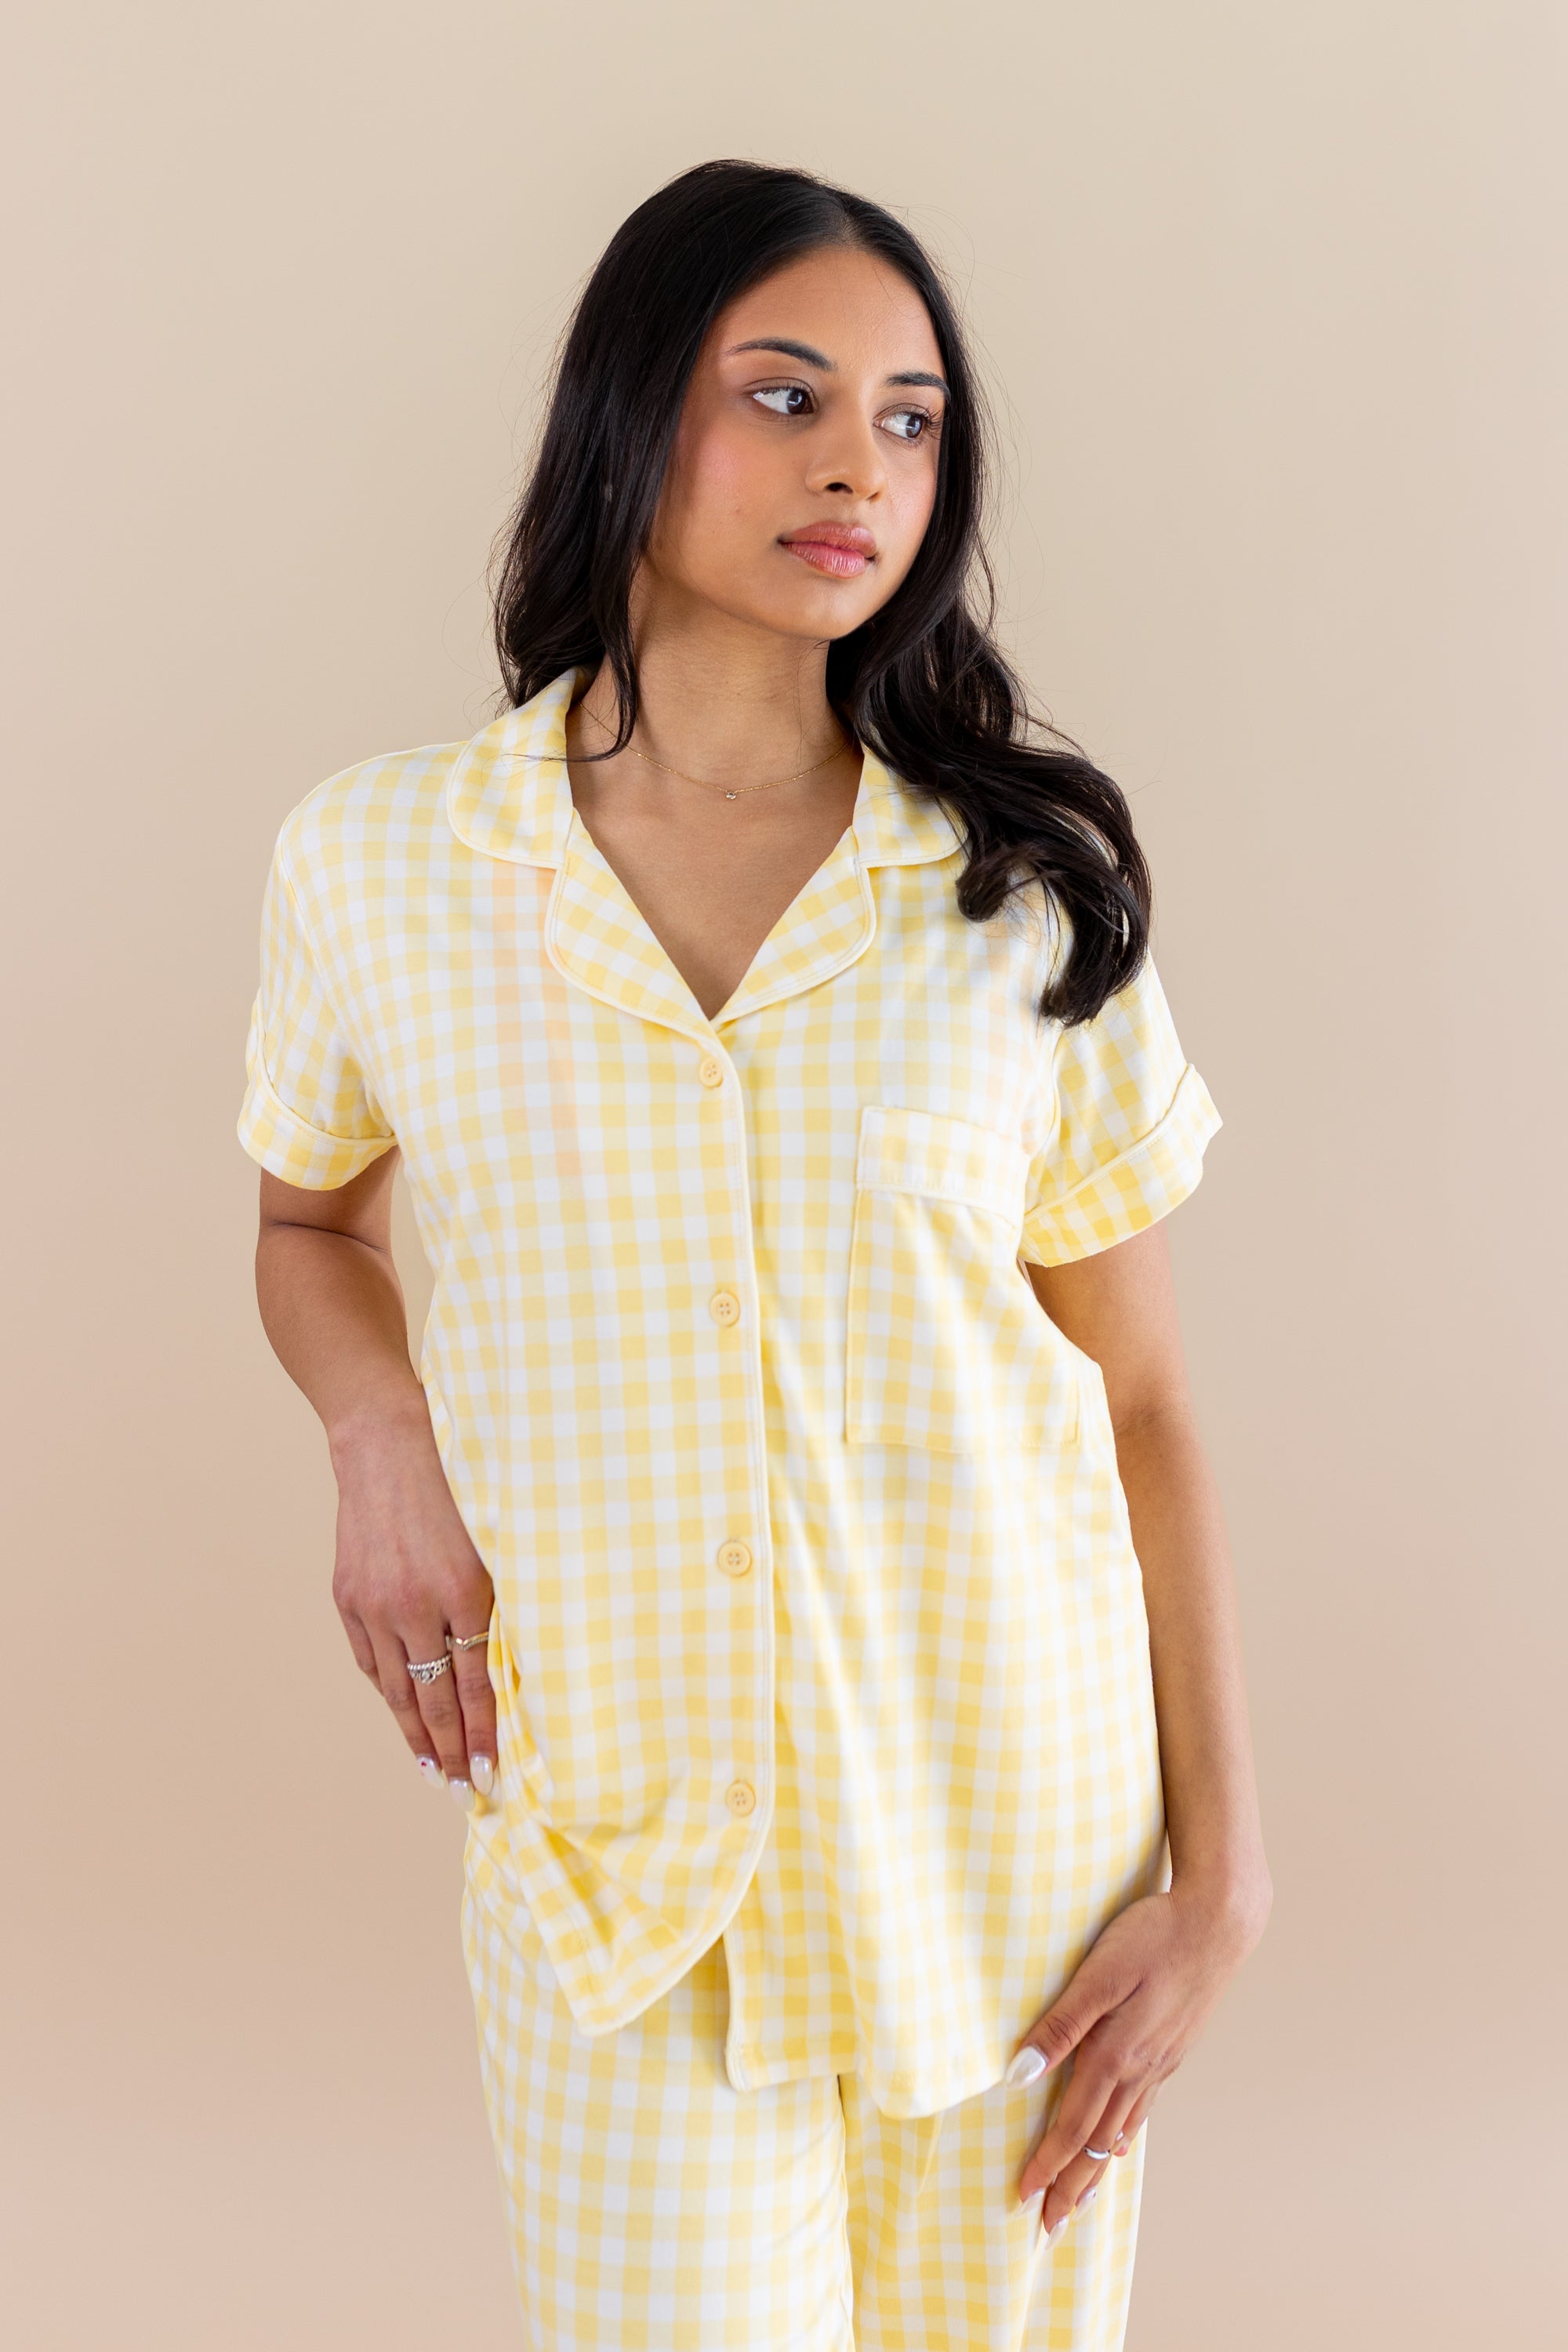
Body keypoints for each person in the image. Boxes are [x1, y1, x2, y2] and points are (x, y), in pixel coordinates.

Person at [241, 158, 1271, 2351]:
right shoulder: (382, 866)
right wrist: (378, 1442)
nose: (857, 467)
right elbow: (306, 1221)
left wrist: (1225, 1884)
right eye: (786, 395)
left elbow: (1147, 1407)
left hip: (1014, 1873)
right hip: (624, 1871)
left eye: (910, 421)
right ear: (630, 412)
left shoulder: (1019, 901)